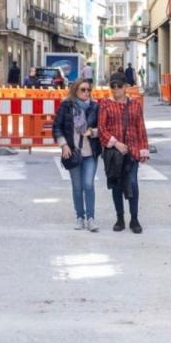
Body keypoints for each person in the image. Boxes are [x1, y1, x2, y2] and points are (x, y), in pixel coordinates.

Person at [99, 73, 150, 234]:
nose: (116, 89)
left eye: (119, 86)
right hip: (114, 153)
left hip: (132, 150)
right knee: (117, 185)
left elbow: (140, 127)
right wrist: (116, 143)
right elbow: (102, 129)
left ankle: (134, 218)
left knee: (133, 183)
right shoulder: (106, 104)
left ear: (125, 87)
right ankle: (120, 218)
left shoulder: (135, 105)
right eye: (112, 86)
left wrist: (144, 150)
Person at [53, 79, 101, 232]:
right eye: (83, 89)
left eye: (88, 90)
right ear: (75, 90)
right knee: (77, 186)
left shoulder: (95, 107)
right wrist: (64, 144)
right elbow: (57, 127)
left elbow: (104, 128)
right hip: (73, 152)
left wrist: (93, 132)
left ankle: (90, 218)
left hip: (90, 153)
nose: (86, 92)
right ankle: (79, 217)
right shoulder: (66, 106)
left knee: (88, 185)